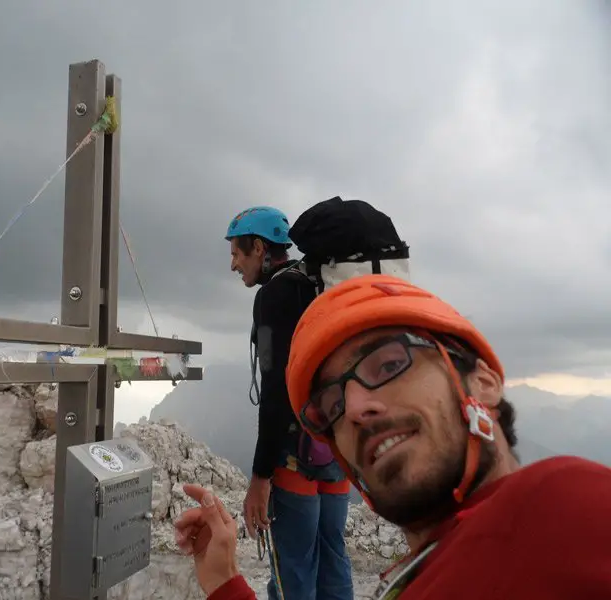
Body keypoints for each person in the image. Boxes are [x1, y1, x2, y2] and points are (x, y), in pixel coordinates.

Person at [174, 274, 611, 599]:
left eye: (388, 366)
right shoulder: (427, 569)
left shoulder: (569, 501)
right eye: (332, 407)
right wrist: (224, 582)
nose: (358, 409)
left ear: (483, 382)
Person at [224, 206, 354, 600]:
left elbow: (276, 389)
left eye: (236, 253)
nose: (233, 265)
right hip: (337, 448)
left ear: (260, 248)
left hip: (296, 454)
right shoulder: (315, 284)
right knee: (333, 558)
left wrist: (261, 476)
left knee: (294, 569)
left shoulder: (273, 295)